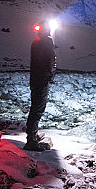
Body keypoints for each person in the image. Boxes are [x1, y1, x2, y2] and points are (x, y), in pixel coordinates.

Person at [24, 21, 57, 151]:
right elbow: (51, 60)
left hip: (35, 79)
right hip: (42, 80)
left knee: (35, 107)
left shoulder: (36, 41)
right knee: (38, 108)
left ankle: (32, 134)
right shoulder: (47, 42)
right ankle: (31, 140)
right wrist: (50, 75)